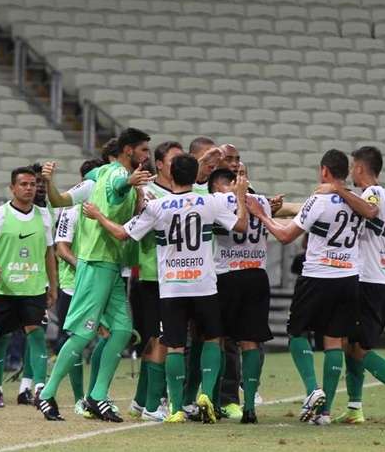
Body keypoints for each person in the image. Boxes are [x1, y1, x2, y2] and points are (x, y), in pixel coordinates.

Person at [83, 153, 249, 424]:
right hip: (204, 284)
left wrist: (98, 215)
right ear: (196, 175)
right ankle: (205, 394)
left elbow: (122, 233)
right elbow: (240, 225)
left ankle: (176, 408)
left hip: (172, 286)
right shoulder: (210, 202)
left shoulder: (158, 206)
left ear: (171, 175)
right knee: (210, 340)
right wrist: (240, 197)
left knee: (173, 346)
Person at [36, 127, 152, 422]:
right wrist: (48, 183)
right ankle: (47, 393)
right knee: (84, 333)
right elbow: (110, 188)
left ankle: (98, 395)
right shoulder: (112, 175)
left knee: (123, 331)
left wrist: (137, 188)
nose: (147, 156)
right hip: (95, 262)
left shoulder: (102, 177)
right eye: (143, 150)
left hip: (113, 265)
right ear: (128, 151)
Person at [246, 149, 361, 426]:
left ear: (324, 171)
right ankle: (325, 413)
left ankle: (313, 389)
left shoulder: (318, 200)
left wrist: (261, 215)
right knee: (334, 339)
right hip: (348, 276)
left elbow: (286, 236)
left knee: (297, 332)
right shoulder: (356, 202)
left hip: (318, 276)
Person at [315, 146, 385, 427]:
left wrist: (337, 190)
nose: (351, 172)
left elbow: (369, 209)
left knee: (358, 348)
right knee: (351, 344)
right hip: (380, 279)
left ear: (361, 168)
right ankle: (354, 407)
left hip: (370, 281)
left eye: (353, 167)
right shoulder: (383, 194)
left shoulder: (371, 193)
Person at [0, 166, 58, 408]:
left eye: (33, 184)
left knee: (37, 336)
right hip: (4, 289)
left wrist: (53, 286)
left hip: (33, 288)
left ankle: (41, 390)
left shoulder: (44, 216)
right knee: (0, 339)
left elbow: (49, 254)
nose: (29, 188)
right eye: (23, 184)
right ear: (12, 188)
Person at [209, 168, 273, 424]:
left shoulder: (219, 201)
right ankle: (249, 406)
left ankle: (213, 400)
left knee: (217, 339)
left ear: (220, 185)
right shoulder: (263, 201)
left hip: (227, 275)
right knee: (251, 343)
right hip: (257, 274)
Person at [127, 141, 184, 422]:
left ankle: (141, 401)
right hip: (152, 275)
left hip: (180, 277)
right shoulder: (149, 191)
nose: (177, 164)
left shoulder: (186, 192)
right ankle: (153, 405)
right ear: (159, 164)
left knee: (169, 338)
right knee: (157, 339)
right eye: (173, 159)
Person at [53, 158, 104, 416]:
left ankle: (97, 395)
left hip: (103, 284)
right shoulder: (72, 208)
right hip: (74, 286)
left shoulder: (108, 205)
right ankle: (78, 398)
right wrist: (83, 268)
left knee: (109, 337)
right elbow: (61, 248)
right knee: (75, 341)